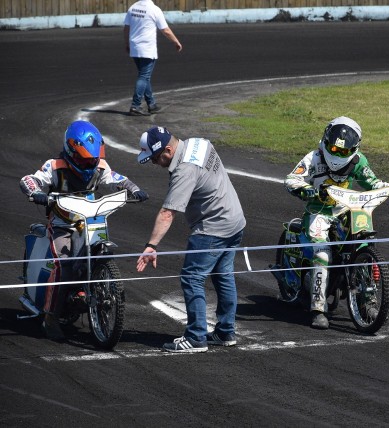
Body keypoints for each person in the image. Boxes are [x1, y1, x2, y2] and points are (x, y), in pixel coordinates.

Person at [19, 120, 149, 340]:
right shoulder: (54, 166)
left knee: (104, 253)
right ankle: (50, 319)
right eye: (83, 159)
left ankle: (95, 290)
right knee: (64, 267)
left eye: (92, 159)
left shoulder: (101, 166)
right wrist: (35, 193)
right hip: (63, 225)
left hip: (92, 220)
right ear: (70, 151)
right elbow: (29, 179)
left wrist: (135, 189)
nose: (89, 164)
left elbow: (119, 179)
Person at [284, 116, 389, 329]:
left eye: (343, 151)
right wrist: (306, 189)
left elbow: (373, 182)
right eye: (334, 148)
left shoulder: (360, 161)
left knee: (364, 245)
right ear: (325, 141)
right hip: (318, 212)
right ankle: (317, 308)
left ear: (354, 149)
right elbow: (292, 179)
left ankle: (367, 302)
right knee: (322, 253)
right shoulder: (314, 157)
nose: (337, 154)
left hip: (345, 210)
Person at [136, 126, 246, 353]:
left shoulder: (184, 170)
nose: (155, 164)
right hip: (235, 221)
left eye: (155, 158)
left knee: (191, 277)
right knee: (223, 275)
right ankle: (226, 331)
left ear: (167, 150)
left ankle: (196, 336)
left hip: (213, 229)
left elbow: (168, 213)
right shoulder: (199, 142)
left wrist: (151, 245)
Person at [124, 0, 182, 116]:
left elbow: (126, 28)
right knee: (144, 76)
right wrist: (176, 41)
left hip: (135, 47)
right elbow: (165, 30)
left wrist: (127, 44)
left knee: (145, 76)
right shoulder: (154, 9)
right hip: (147, 48)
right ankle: (135, 105)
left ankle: (151, 104)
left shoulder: (133, 8)